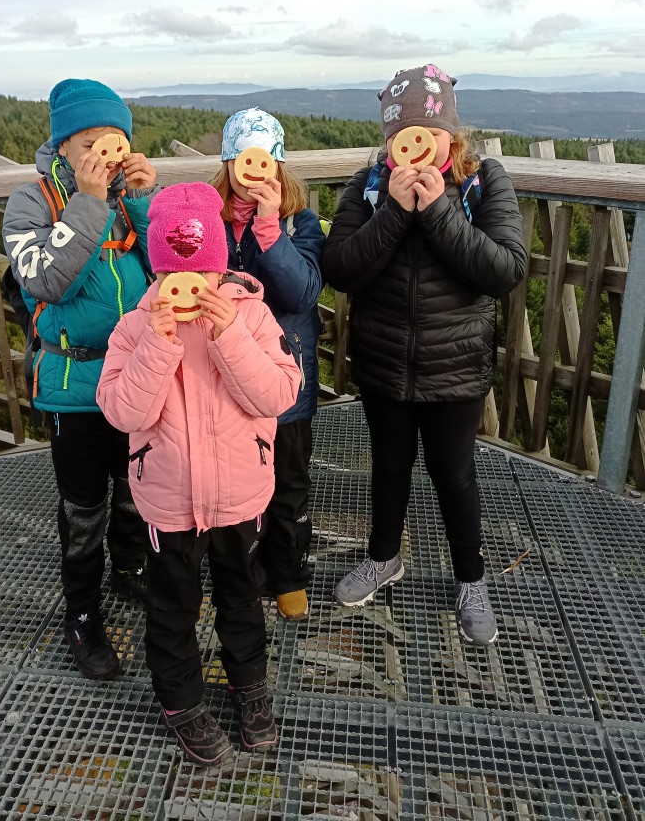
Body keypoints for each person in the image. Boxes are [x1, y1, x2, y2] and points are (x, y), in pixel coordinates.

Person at [96, 182, 301, 766]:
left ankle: (249, 686)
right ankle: (181, 701)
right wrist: (156, 347)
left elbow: (279, 393)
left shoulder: (252, 315)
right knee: (172, 607)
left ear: (220, 267)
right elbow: (123, 413)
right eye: (173, 275)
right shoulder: (135, 328)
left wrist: (229, 335)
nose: (190, 287)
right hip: (169, 502)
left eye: (203, 274)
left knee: (243, 597)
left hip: (240, 494)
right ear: (158, 272)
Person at [322, 64, 527, 645]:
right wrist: (393, 211)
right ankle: (383, 557)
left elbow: (504, 271)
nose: (416, 146)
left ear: (450, 135)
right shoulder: (369, 186)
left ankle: (471, 578)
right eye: (401, 135)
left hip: (455, 364)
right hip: (384, 359)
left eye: (429, 132)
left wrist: (437, 211)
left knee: (454, 475)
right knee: (388, 467)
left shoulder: (483, 180)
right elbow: (340, 269)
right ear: (389, 139)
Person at [2, 78, 156, 680]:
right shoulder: (31, 202)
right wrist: (89, 202)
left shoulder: (127, 196)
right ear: (62, 146)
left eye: (113, 140)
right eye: (89, 142)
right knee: (84, 506)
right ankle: (83, 612)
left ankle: (130, 568)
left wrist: (142, 200)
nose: (103, 153)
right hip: (75, 382)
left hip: (136, 377)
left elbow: (172, 265)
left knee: (137, 487)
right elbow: (47, 282)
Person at [212, 108, 325, 622]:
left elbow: (302, 292)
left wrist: (268, 227)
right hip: (227, 381)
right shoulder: (208, 220)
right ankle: (246, 575)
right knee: (238, 485)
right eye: (242, 160)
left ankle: (289, 574)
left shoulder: (299, 222)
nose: (253, 172)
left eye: (263, 160)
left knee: (288, 484)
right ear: (228, 163)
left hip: (284, 382)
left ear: (278, 165)